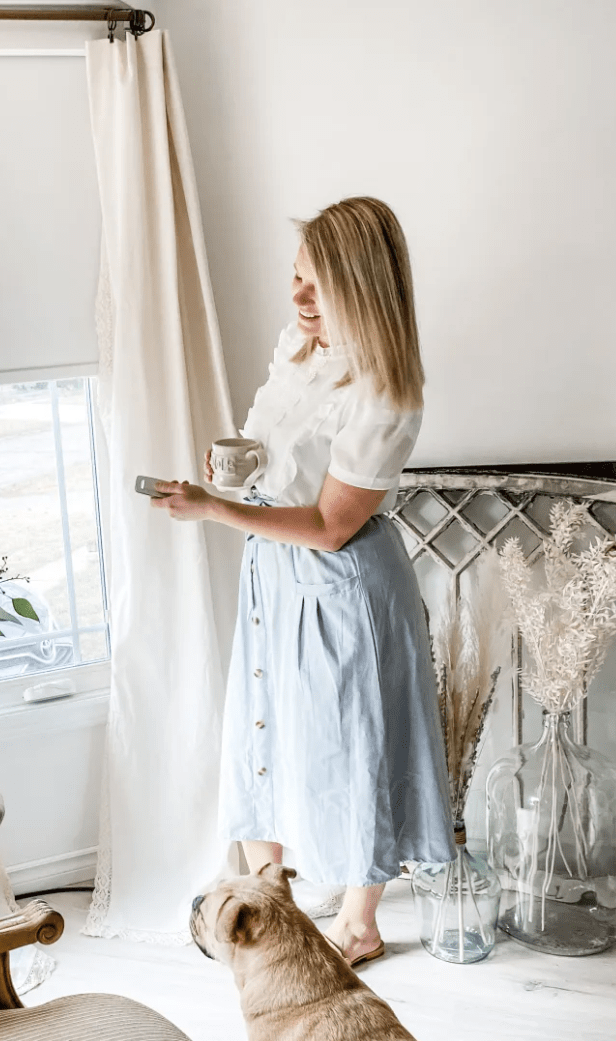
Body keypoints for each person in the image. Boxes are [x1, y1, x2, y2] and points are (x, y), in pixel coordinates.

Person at [153, 196, 454, 967]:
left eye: (316, 286)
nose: (297, 298)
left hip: (338, 582)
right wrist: (232, 476)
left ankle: (359, 923)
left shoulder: (386, 395)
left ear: (361, 286)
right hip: (274, 573)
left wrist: (216, 509)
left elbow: (329, 524)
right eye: (295, 278)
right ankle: (270, 898)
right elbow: (270, 454)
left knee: (348, 742)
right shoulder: (300, 350)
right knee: (265, 722)